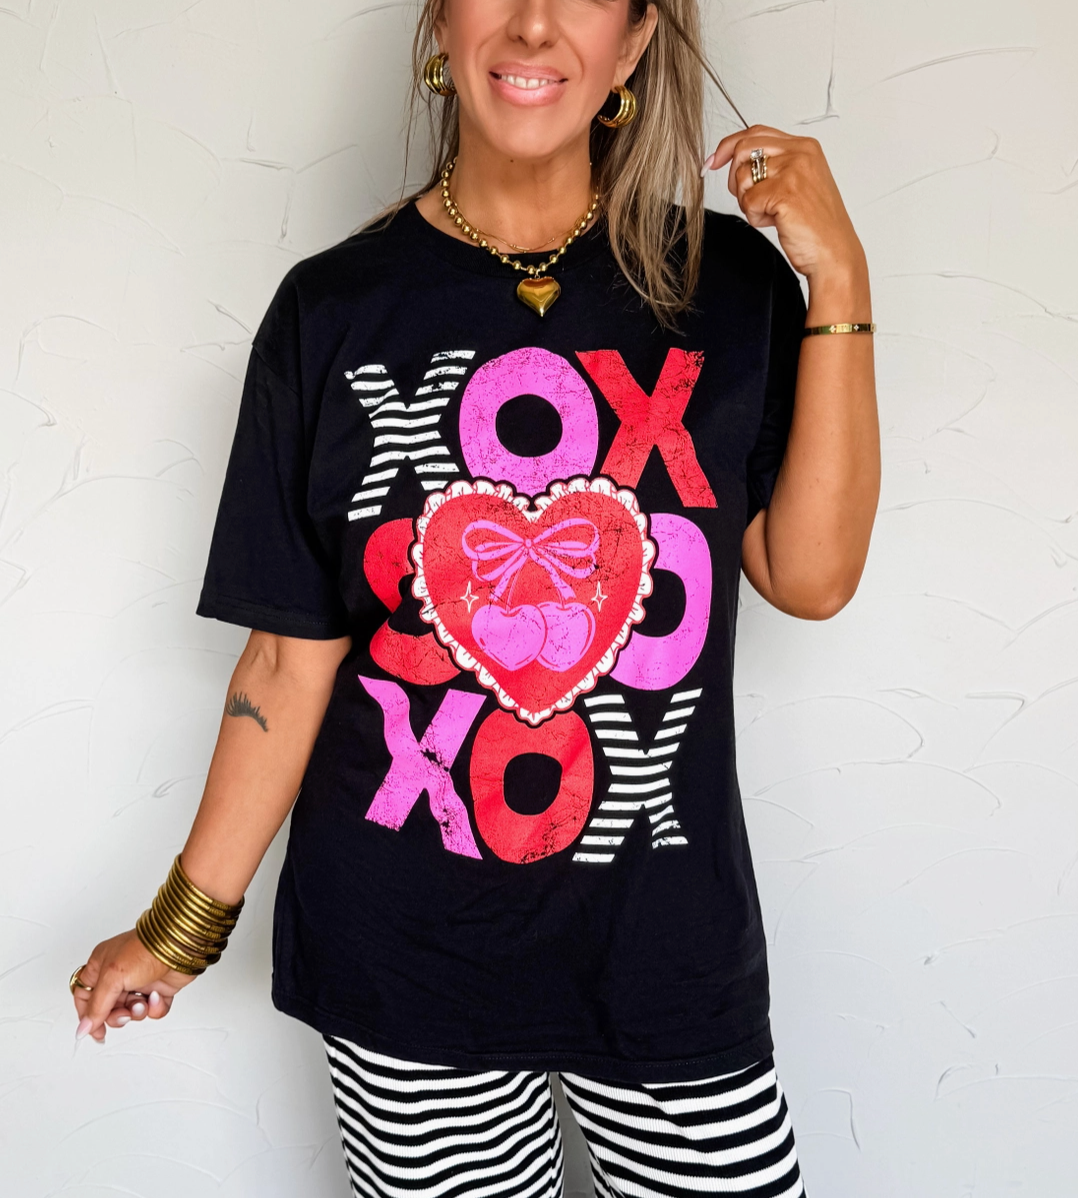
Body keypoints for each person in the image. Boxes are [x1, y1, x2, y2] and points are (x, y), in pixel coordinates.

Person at [69, 0, 879, 1193]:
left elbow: (811, 577)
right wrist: (183, 925)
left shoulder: (730, 289)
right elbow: (288, 660)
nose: (535, 25)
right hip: (403, 954)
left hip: (663, 947)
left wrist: (839, 274)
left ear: (634, 41)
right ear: (442, 27)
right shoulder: (330, 312)